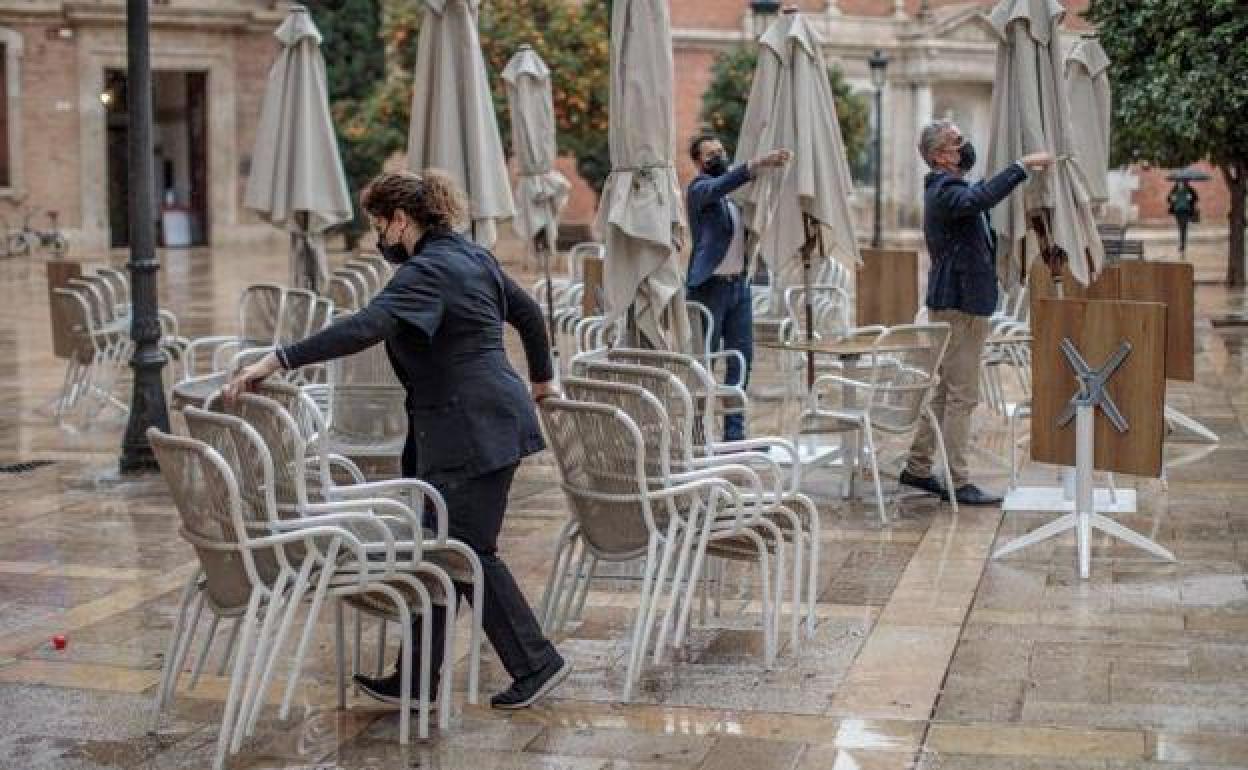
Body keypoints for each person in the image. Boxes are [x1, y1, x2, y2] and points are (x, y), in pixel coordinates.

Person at [224, 170, 569, 710]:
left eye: (378, 225)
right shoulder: (471, 256)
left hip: (469, 429)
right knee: (438, 550)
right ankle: (415, 680)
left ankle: (536, 662)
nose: (377, 238)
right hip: (483, 420)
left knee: (464, 553)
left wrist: (279, 358)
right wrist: (543, 378)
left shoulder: (425, 272)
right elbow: (526, 313)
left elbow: (364, 326)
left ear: (400, 220)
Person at [900, 120, 1053, 506]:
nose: (965, 146)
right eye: (957, 142)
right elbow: (979, 199)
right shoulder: (946, 190)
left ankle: (917, 467)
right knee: (962, 396)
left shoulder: (948, 188)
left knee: (944, 391)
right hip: (960, 306)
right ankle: (958, 479)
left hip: (956, 302)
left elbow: (979, 199)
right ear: (939, 156)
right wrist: (1020, 167)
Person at [686, 134, 792, 441]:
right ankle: (697, 436)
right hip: (708, 289)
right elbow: (718, 185)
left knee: (741, 360)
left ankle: (734, 437)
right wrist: (755, 164)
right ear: (698, 162)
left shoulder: (733, 200)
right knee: (705, 363)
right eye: (710, 154)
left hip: (738, 288)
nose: (718, 156)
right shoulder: (699, 190)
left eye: (721, 150)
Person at [1167, 179, 1200, 257]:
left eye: (1183, 182)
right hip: (1177, 211)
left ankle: (1182, 245)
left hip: (1186, 211)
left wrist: (1191, 197)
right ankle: (1182, 244)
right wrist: (1172, 198)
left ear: (1186, 182)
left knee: (1183, 227)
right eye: (1180, 182)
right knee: (1181, 227)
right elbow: (1168, 199)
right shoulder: (1174, 189)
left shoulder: (1190, 189)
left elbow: (1196, 198)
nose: (1181, 183)